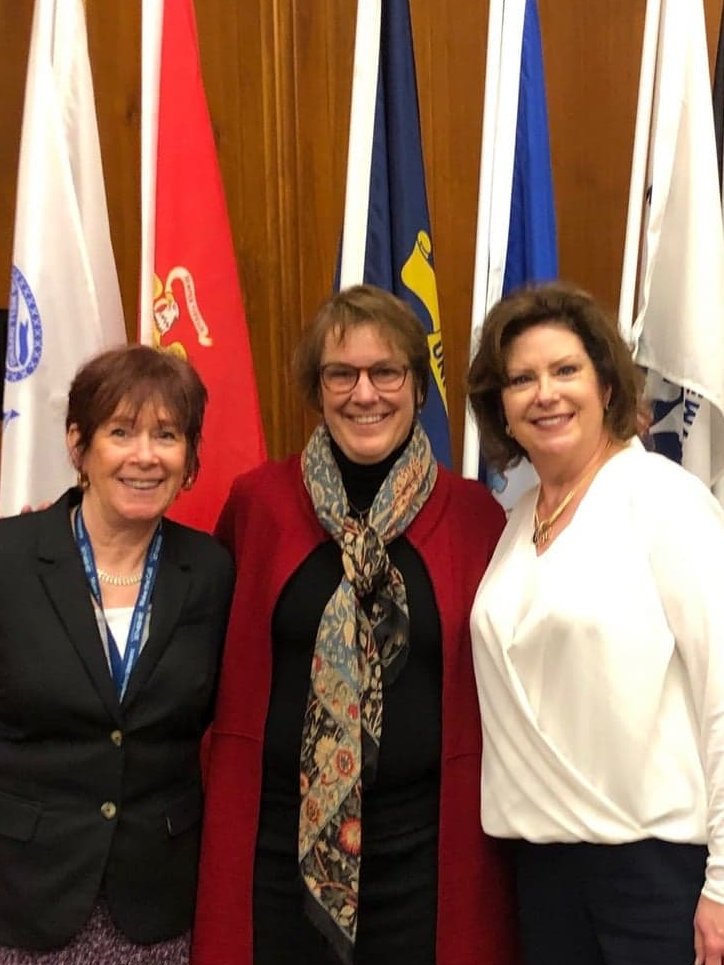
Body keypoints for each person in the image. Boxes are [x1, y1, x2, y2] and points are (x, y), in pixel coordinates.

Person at [192, 284, 517, 965]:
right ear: (317, 387)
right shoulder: (259, 504)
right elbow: (188, 618)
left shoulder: (476, 516)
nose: (363, 393)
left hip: (426, 852)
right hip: (275, 848)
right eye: (341, 373)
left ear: (417, 387)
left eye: (386, 371)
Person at [466, 281, 724, 965]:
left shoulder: (665, 502)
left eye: (565, 370)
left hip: (654, 874)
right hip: (542, 872)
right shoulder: (519, 521)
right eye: (521, 378)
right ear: (502, 407)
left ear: (607, 384)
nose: (544, 393)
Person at [0, 345, 234, 964]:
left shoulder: (211, 572)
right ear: (79, 445)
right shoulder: (9, 559)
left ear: (189, 458)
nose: (145, 456)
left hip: (157, 900)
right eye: (121, 432)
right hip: (23, 894)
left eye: (167, 435)